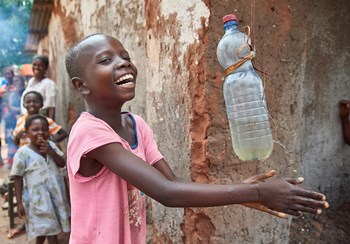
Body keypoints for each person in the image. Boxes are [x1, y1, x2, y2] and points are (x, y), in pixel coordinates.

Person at [65, 34, 329, 244]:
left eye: (125, 56)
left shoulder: (137, 125)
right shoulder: (89, 132)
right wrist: (258, 191)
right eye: (105, 60)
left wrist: (242, 193)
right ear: (81, 85)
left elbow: (173, 182)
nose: (123, 63)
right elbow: (166, 193)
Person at [10, 114, 70, 243]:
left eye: (44, 129)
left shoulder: (52, 146)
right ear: (26, 133)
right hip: (37, 200)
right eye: (35, 129)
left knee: (46, 229)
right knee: (49, 230)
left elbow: (62, 163)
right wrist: (19, 203)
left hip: (56, 197)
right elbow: (18, 178)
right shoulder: (22, 153)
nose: (40, 133)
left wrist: (51, 152)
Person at [21, 55, 57, 119]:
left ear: (45, 68)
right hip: (27, 118)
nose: (36, 67)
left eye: (40, 65)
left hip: (40, 119)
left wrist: (49, 124)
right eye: (34, 65)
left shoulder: (49, 84)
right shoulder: (31, 81)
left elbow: (51, 107)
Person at [2, 75, 25, 168]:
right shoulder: (12, 95)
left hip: (23, 122)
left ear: (22, 82)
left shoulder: (25, 92)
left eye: (18, 81)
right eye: (15, 82)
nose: (17, 83)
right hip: (12, 122)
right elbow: (10, 107)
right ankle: (13, 163)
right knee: (12, 142)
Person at [0, 67, 15, 165]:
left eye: (10, 74)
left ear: (13, 75)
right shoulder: (2, 89)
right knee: (9, 138)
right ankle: (10, 161)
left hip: (16, 118)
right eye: (6, 74)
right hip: (6, 118)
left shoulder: (17, 86)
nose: (8, 76)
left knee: (16, 137)